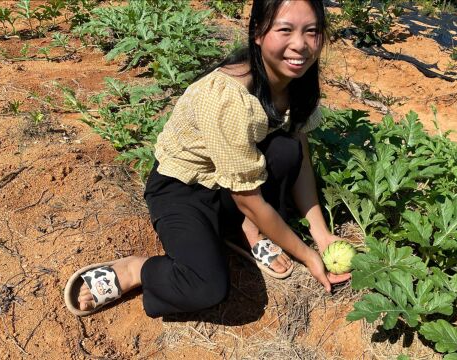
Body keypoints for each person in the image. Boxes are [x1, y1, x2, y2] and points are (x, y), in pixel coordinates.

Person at [64, 0, 351, 318]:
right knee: (205, 287)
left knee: (288, 149)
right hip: (184, 187)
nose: (299, 44)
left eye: (311, 31)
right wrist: (309, 256)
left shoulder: (296, 82)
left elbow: (300, 157)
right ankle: (136, 270)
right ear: (257, 32)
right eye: (285, 29)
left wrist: (321, 234)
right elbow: (248, 198)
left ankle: (249, 231)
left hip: (234, 183)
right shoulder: (227, 98)